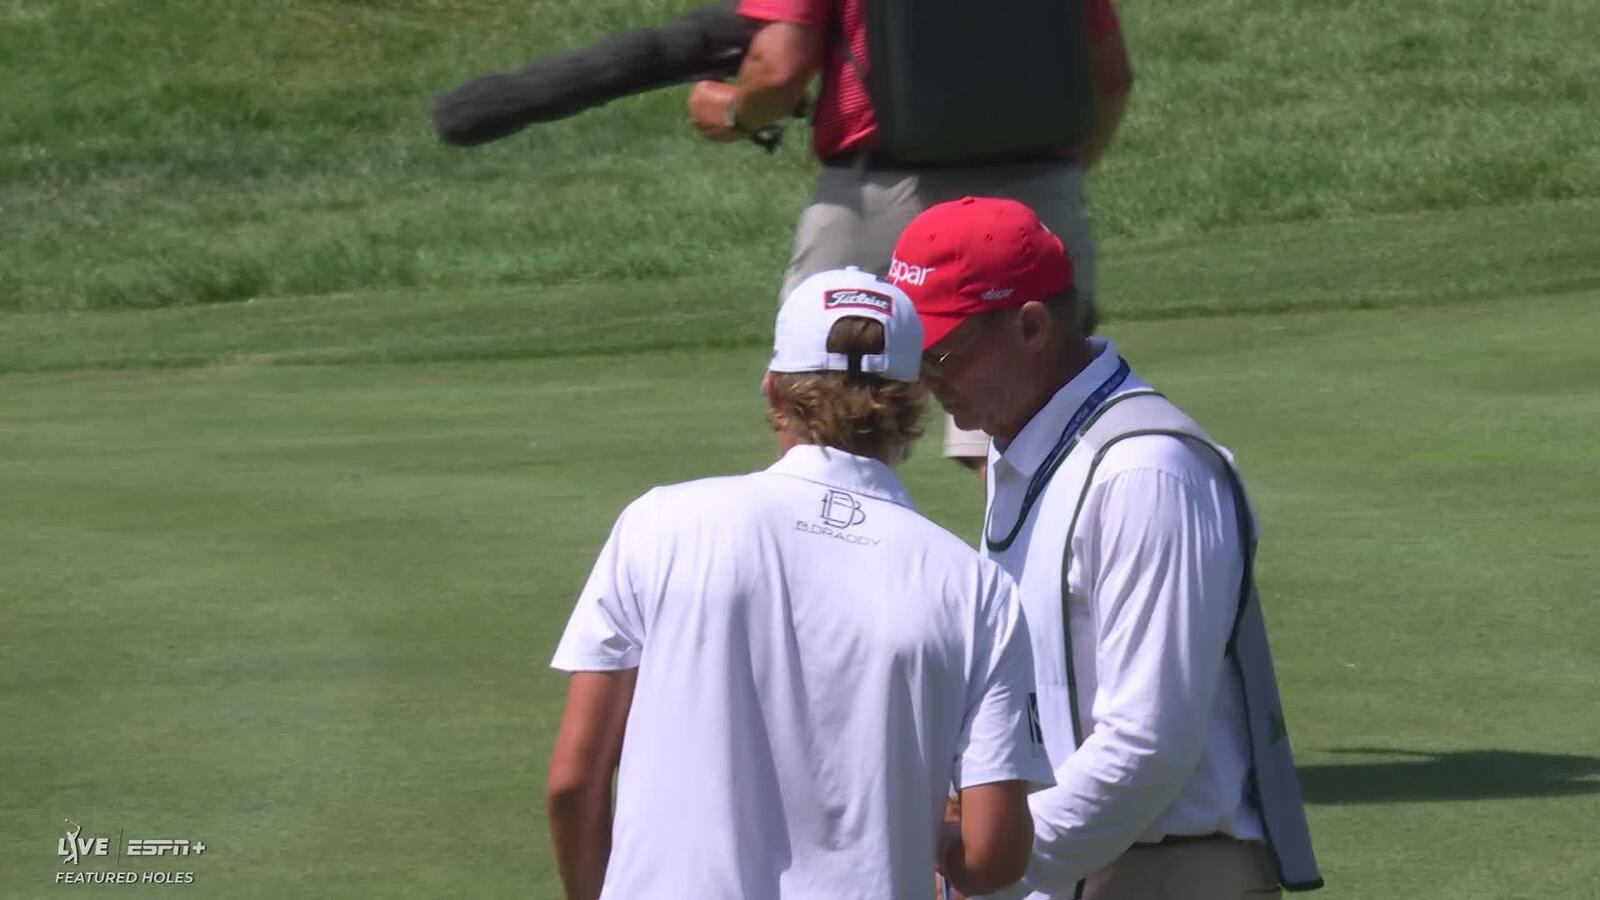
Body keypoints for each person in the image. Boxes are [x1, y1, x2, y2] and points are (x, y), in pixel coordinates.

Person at [544, 266, 1055, 900]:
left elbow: (573, 783)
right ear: (916, 399)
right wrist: (934, 834)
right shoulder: (977, 590)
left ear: (774, 390)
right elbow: (996, 854)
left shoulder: (657, 524)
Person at [891, 197, 1323, 899]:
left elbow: (1147, 746)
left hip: (1164, 874)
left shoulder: (1145, 473)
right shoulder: (1023, 443)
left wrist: (992, 864)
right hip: (1074, 863)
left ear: (1031, 327)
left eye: (940, 355)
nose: (923, 382)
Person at [686, 0, 1134, 467]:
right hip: (1036, 184)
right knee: (1026, 429)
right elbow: (1112, 76)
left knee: (824, 406)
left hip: (877, 192)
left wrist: (733, 112)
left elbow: (779, 70)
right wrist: (1058, 175)